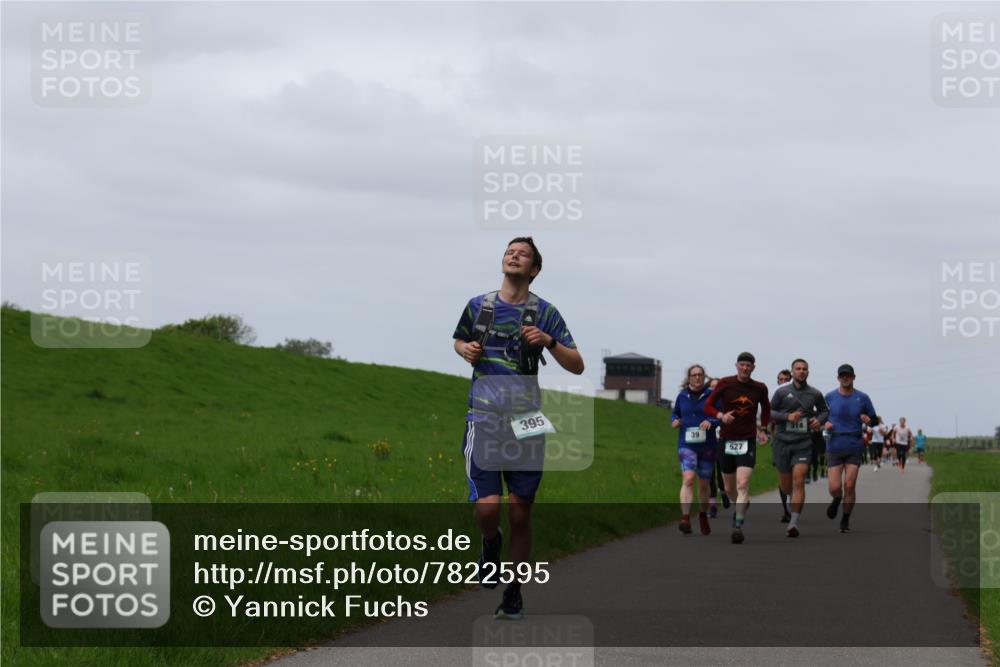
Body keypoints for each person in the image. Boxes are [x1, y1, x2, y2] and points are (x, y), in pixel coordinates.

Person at [453, 237, 584, 619]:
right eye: (510, 251)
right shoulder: (478, 305)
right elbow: (459, 340)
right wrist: (466, 351)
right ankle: (490, 544)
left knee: (521, 513)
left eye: (522, 254)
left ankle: (513, 591)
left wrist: (548, 341)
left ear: (534, 269)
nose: (514, 255)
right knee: (489, 510)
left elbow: (576, 364)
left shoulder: (546, 313)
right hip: (485, 417)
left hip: (526, 421)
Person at [704, 352, 771, 544]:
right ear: (736, 365)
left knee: (743, 484)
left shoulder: (759, 388)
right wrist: (720, 416)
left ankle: (738, 525)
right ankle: (741, 504)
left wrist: (763, 429)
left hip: (747, 439)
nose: (744, 368)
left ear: (753, 367)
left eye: (748, 365)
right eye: (742, 365)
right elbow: (708, 405)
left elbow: (766, 409)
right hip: (726, 439)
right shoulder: (725, 383)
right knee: (728, 487)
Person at [770, 359, 830, 537]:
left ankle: (793, 522)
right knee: (786, 485)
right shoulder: (781, 392)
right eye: (798, 369)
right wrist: (787, 417)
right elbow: (769, 413)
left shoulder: (815, 393)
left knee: (799, 480)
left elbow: (825, 411)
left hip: (803, 442)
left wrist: (818, 420)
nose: (801, 371)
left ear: (808, 373)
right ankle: (789, 499)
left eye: (804, 369)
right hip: (782, 442)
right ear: (792, 371)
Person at [823, 364, 878, 533]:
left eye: (848, 375)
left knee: (849, 484)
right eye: (842, 376)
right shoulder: (830, 397)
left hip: (854, 444)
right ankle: (836, 499)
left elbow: (875, 420)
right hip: (834, 444)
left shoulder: (863, 398)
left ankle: (845, 519)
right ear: (838, 378)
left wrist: (869, 421)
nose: (845, 378)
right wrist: (824, 424)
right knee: (834, 487)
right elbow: (820, 417)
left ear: (854, 377)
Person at [671, 364, 720, 536]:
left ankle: (702, 515)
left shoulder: (712, 395)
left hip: (707, 446)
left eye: (700, 375)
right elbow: (675, 413)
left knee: (704, 483)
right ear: (689, 377)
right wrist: (675, 420)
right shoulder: (682, 396)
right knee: (689, 479)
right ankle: (685, 517)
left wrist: (711, 422)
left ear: (704, 377)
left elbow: (719, 415)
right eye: (694, 375)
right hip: (687, 444)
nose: (697, 377)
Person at [706, 377, 729, 517]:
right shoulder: (705, 402)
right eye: (711, 387)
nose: (714, 389)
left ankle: (724, 492)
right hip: (707, 444)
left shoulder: (726, 402)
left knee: (722, 472)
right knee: (709, 475)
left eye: (717, 386)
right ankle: (712, 505)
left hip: (722, 442)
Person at [772, 370, 793, 521]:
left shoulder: (799, 395)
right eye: (781, 379)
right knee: (783, 475)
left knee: (796, 476)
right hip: (779, 439)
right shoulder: (775, 396)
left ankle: (794, 507)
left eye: (787, 379)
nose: (784, 381)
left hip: (798, 440)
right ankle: (786, 508)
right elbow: (768, 415)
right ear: (778, 381)